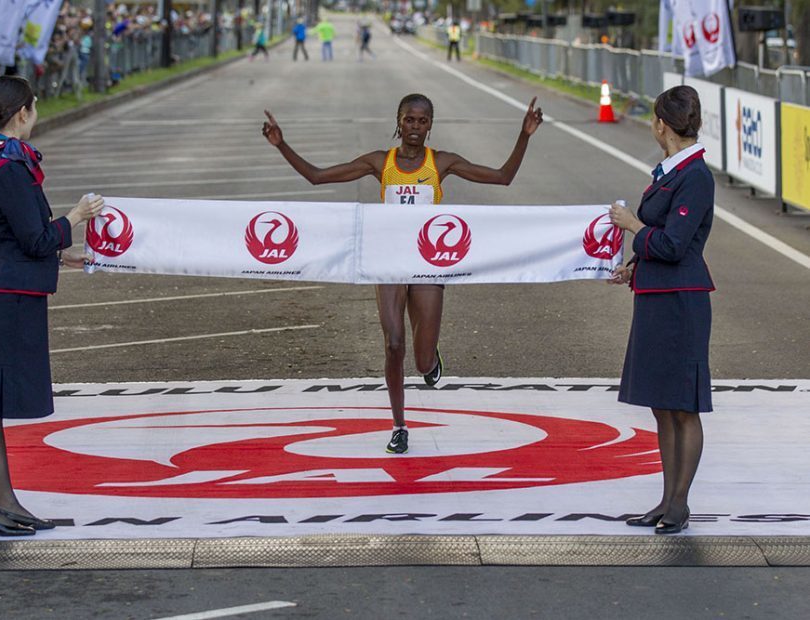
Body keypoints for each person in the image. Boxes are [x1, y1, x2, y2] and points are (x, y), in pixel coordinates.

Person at [262, 93, 543, 454]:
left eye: (422, 121)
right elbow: (318, 177)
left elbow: (503, 177)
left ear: (430, 126)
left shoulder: (441, 163)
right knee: (394, 344)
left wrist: (525, 135)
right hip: (390, 260)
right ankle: (399, 425)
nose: (415, 127)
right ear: (398, 121)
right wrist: (281, 144)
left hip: (427, 263)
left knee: (422, 360)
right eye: (409, 120)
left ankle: (431, 357)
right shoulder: (381, 162)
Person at [0, 76, 104, 536]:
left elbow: (17, 237)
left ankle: (2, 501)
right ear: (22, 112)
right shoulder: (9, 167)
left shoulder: (2, 161)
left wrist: (65, 253)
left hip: (9, 291)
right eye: (35, 108)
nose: (36, 114)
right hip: (7, 297)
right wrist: (76, 217)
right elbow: (33, 236)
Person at [608, 85, 714, 535]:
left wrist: (632, 225)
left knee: (682, 406)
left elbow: (673, 243)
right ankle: (666, 499)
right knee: (662, 406)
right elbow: (663, 236)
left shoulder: (695, 175)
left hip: (680, 301)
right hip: (656, 296)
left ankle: (680, 504)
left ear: (661, 125)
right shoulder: (671, 171)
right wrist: (635, 265)